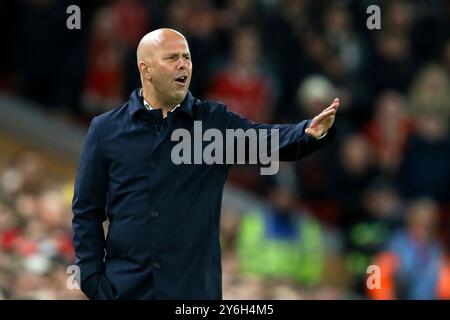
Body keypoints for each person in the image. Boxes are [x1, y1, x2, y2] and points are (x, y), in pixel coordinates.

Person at [72, 28, 339, 300]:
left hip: (194, 293)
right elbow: (86, 211)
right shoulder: (105, 130)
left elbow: (265, 140)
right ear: (146, 68)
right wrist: (92, 279)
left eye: (186, 58)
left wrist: (307, 131)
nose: (183, 65)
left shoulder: (212, 122)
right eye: (172, 58)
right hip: (126, 291)